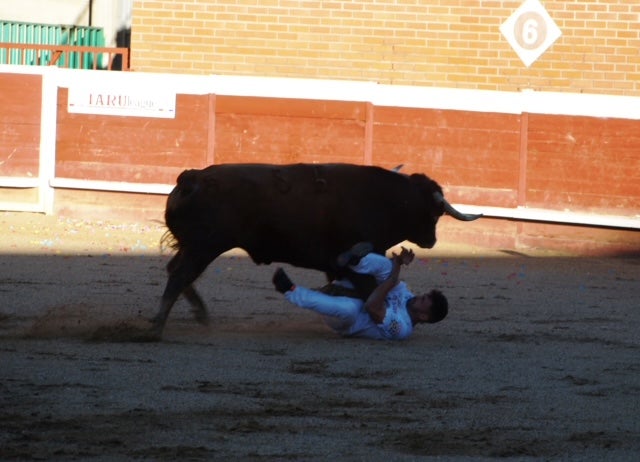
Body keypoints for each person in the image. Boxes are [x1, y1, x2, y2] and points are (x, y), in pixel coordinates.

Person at [272, 242, 448, 340]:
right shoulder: (407, 296)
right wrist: (398, 264)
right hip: (350, 292)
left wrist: (394, 276)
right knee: (388, 267)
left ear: (424, 316)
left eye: (423, 300)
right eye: (423, 295)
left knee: (350, 309)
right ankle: (355, 261)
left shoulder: (401, 328)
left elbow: (372, 307)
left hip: (345, 321)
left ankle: (290, 290)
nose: (418, 297)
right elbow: (388, 277)